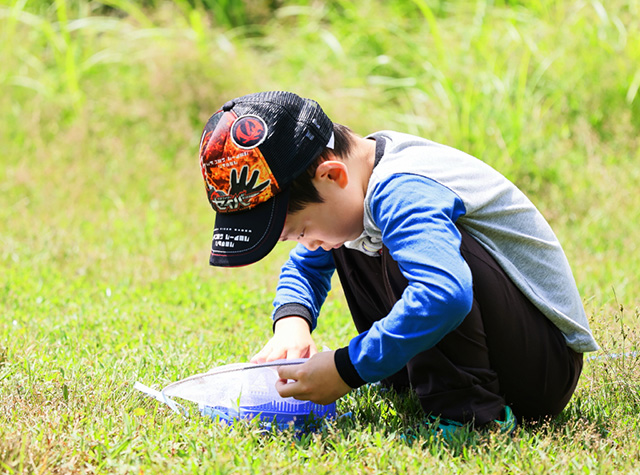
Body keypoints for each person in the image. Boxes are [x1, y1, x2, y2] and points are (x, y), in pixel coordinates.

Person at [198, 91, 599, 434]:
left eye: (299, 230)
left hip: (541, 369)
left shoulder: (401, 188)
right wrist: (292, 324)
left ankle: (472, 418)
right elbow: (306, 264)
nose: (305, 244)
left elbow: (445, 295)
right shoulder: (353, 189)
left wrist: (346, 369)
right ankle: (426, 385)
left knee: (420, 269)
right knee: (338, 240)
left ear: (332, 175)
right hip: (503, 349)